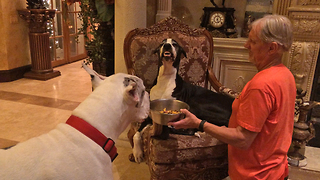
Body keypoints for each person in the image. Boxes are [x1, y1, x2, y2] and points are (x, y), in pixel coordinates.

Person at [168, 14, 296, 180]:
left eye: (253, 41)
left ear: (272, 48)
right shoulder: (286, 75)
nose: (246, 45)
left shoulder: (261, 86)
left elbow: (243, 139)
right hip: (276, 170)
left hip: (256, 175)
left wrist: (199, 123)